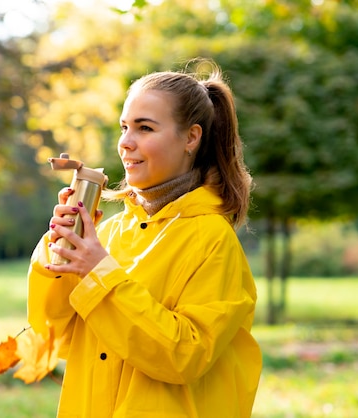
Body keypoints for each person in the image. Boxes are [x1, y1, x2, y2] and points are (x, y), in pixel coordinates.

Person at [27, 62, 262, 417]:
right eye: (124, 127)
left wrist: (99, 272)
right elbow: (55, 337)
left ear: (191, 138)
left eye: (144, 128)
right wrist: (60, 250)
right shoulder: (108, 234)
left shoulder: (212, 239)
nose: (125, 142)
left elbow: (184, 355)